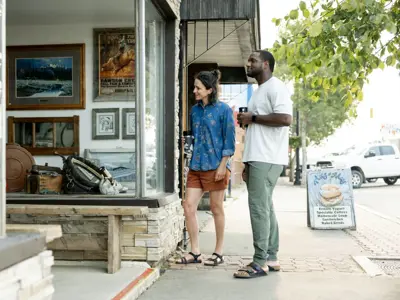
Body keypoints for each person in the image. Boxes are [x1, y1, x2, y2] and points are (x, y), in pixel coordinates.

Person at [234, 50, 293, 279]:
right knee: (266, 207)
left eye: (253, 61)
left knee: (258, 208)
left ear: (265, 64)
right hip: (258, 157)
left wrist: (253, 118)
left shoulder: (276, 87)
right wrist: (247, 163)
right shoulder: (259, 92)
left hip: (267, 157)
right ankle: (271, 257)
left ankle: (259, 262)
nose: (248, 64)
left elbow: (286, 119)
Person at [176, 70, 235, 266]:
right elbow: (195, 136)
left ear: (210, 90)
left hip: (215, 165)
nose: (195, 91)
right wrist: (188, 141)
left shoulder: (224, 110)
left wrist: (223, 165)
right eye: (195, 87)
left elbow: (229, 141)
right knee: (188, 206)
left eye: (198, 88)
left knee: (216, 208)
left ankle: (218, 251)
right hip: (196, 165)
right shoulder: (194, 110)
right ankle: (195, 252)